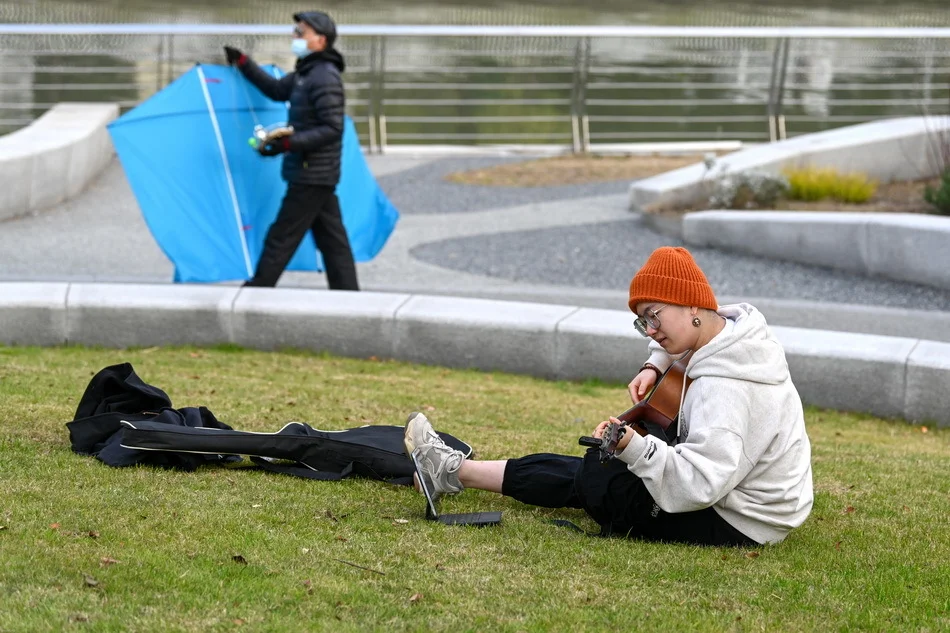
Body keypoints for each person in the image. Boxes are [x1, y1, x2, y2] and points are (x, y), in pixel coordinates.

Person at [403, 246, 813, 546]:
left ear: (693, 305)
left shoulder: (726, 391)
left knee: (599, 478)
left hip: (739, 518)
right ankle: (453, 472)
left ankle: (450, 472)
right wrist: (655, 363)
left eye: (654, 316)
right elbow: (685, 335)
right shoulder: (735, 334)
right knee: (599, 470)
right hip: (767, 499)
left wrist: (635, 447)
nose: (651, 331)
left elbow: (700, 485)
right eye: (642, 323)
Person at [224, 11, 359, 291]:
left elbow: (333, 128)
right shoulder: (306, 73)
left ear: (320, 41)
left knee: (282, 235)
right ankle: (349, 296)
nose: (295, 37)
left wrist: (288, 143)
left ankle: (257, 291)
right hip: (312, 172)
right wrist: (244, 63)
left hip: (312, 172)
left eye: (301, 33)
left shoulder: (324, 77)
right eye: (296, 31)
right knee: (332, 241)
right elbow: (275, 89)